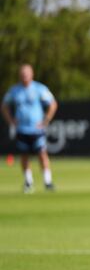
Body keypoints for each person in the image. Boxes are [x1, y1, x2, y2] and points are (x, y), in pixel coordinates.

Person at [2, 64, 58, 193]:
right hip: (22, 129)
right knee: (24, 155)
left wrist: (46, 120)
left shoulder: (39, 88)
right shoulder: (14, 90)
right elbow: (4, 106)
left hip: (37, 130)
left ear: (32, 74)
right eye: (22, 74)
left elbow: (53, 104)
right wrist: (11, 121)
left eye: (27, 74)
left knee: (42, 154)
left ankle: (47, 181)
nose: (24, 76)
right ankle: (28, 182)